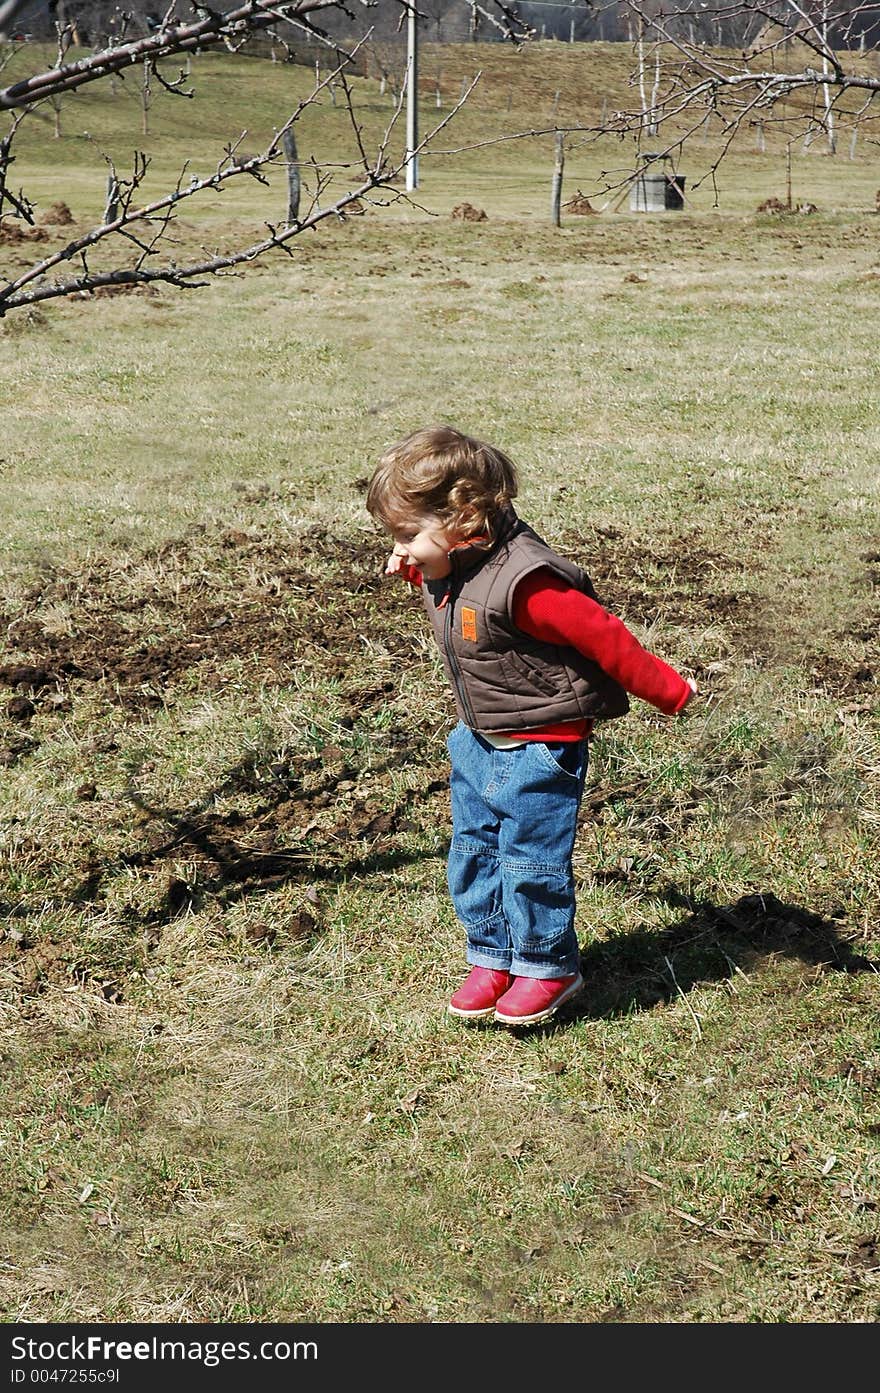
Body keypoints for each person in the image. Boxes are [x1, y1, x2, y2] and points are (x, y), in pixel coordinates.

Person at [366, 426, 696, 1029]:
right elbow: (463, 594)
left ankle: (548, 967)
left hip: (542, 744)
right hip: (479, 735)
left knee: (530, 862)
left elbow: (604, 637)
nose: (402, 549)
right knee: (474, 851)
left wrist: (667, 690)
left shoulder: (531, 583)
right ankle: (493, 955)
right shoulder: (457, 557)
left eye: (407, 535)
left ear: (466, 519)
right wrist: (415, 561)